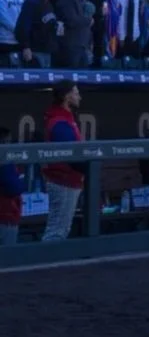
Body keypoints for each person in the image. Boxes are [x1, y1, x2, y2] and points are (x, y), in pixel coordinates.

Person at [41, 80, 84, 241]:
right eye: (76, 92)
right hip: (62, 181)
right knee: (57, 231)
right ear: (67, 97)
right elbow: (70, 156)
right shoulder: (59, 121)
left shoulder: (65, 118)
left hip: (67, 180)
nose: (79, 96)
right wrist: (87, 169)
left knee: (61, 229)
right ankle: (46, 264)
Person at [0, 126, 26, 246]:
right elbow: (14, 187)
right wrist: (20, 182)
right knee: (7, 260)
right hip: (5, 218)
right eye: (7, 142)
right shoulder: (4, 161)